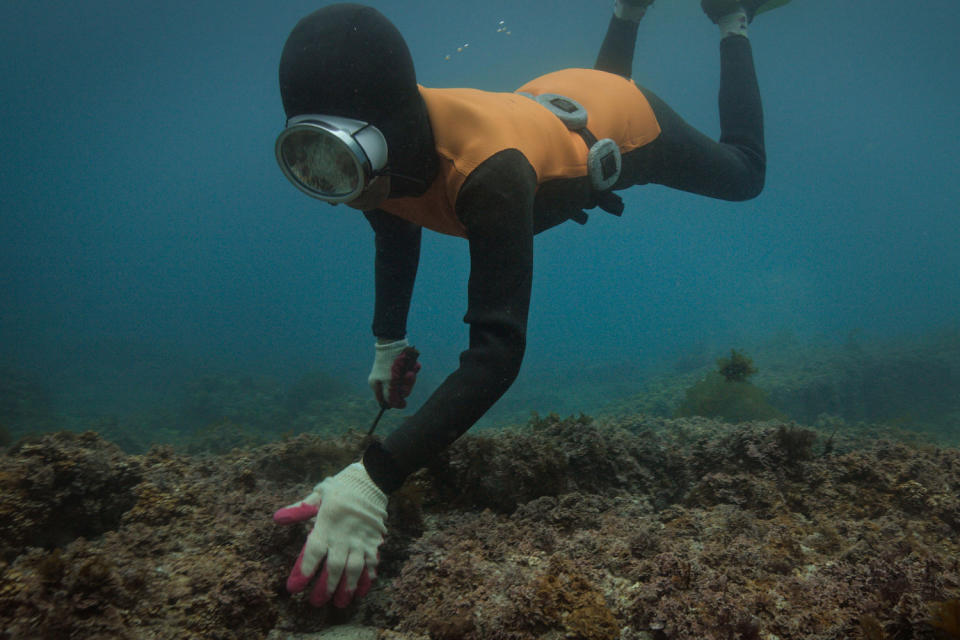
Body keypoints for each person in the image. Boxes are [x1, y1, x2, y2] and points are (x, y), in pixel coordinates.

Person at [272, 0, 788, 608]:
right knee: (574, 111)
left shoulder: (488, 177)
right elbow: (394, 223)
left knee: (745, 174)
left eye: (337, 163)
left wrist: (373, 478)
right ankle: (629, 10)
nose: (334, 192)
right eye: (310, 162)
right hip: (547, 101)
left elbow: (496, 354)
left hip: (617, 118)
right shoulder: (386, 155)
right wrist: (388, 343)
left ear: (374, 138)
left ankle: (732, 19)